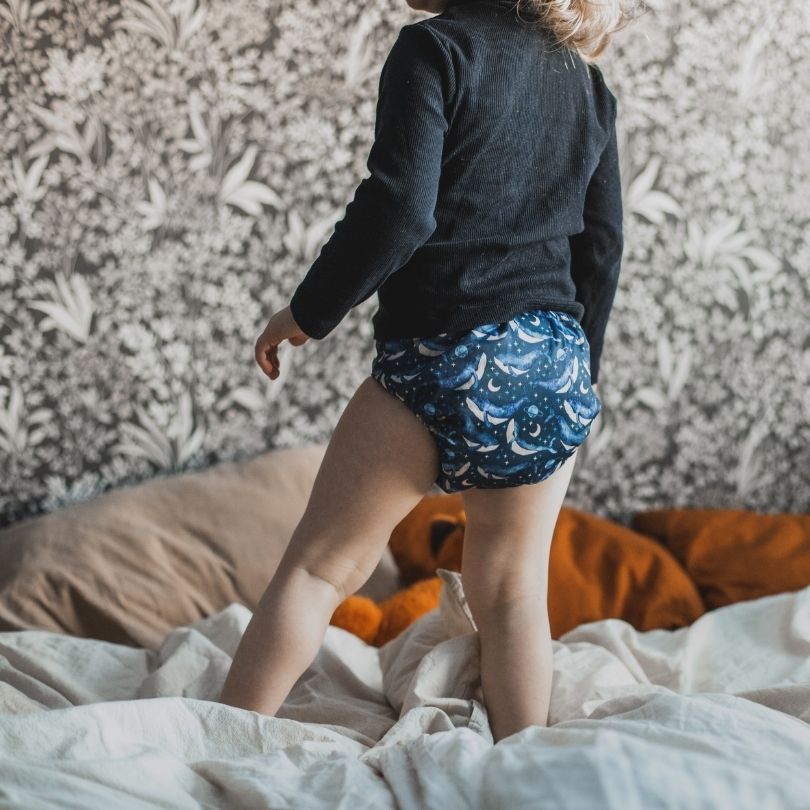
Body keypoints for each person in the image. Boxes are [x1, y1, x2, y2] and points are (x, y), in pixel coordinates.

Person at [219, 0, 640, 744]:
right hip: (554, 363)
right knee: (513, 595)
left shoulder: (435, 50)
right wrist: (578, 376)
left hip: (447, 353)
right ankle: (523, 763)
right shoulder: (587, 81)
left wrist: (309, 312)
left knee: (318, 574)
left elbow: (401, 210)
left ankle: (210, 741)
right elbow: (602, 246)